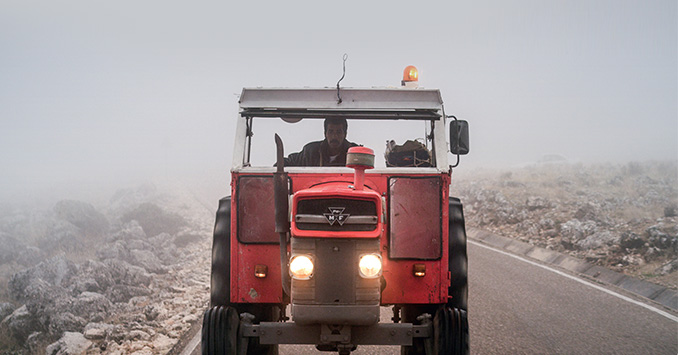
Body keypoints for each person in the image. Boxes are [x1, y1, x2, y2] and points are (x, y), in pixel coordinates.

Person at [284, 118, 358, 166]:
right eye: (330, 132)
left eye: (338, 132)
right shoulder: (310, 152)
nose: (334, 136)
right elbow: (290, 162)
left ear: (345, 134)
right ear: (325, 133)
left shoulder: (356, 154)